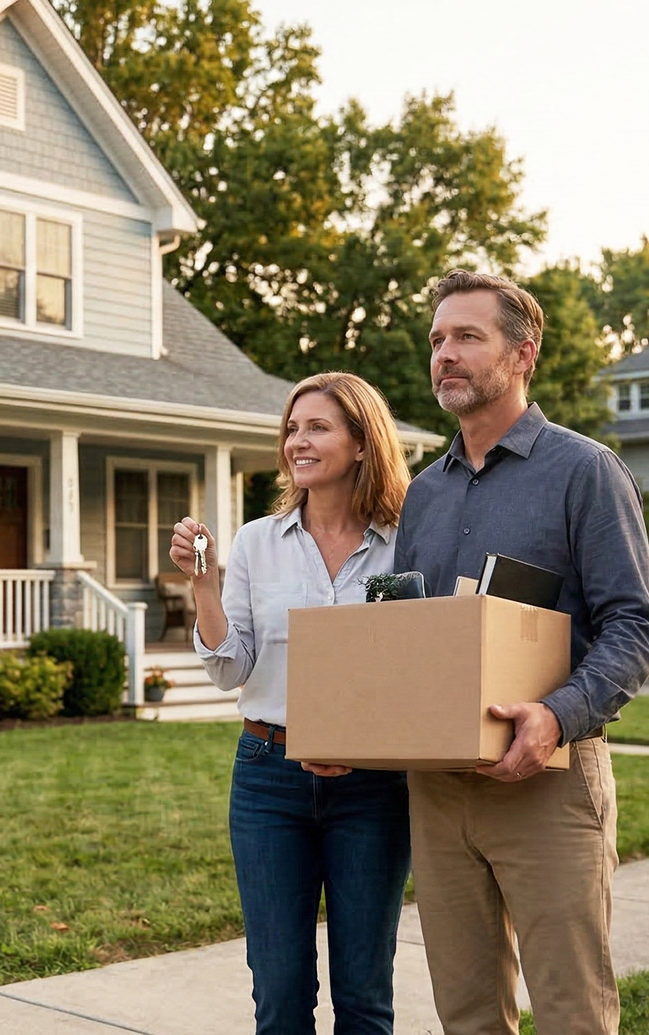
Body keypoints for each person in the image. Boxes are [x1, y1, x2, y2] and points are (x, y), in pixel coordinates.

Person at [394, 270, 649, 1035]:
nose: (445, 353)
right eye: (438, 339)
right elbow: (413, 635)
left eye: (467, 336)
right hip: (441, 788)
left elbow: (634, 625)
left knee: (573, 1008)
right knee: (469, 1012)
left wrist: (554, 715)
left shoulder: (584, 470)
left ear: (523, 353)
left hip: (550, 779)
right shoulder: (425, 493)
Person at [172, 371, 413, 1035]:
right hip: (268, 776)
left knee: (365, 995)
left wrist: (363, 743)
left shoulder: (405, 542)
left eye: (317, 427)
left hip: (374, 787)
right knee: (279, 996)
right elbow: (232, 667)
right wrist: (204, 586)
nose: (296, 441)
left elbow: (416, 670)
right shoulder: (256, 541)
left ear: (363, 443)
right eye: (291, 428)